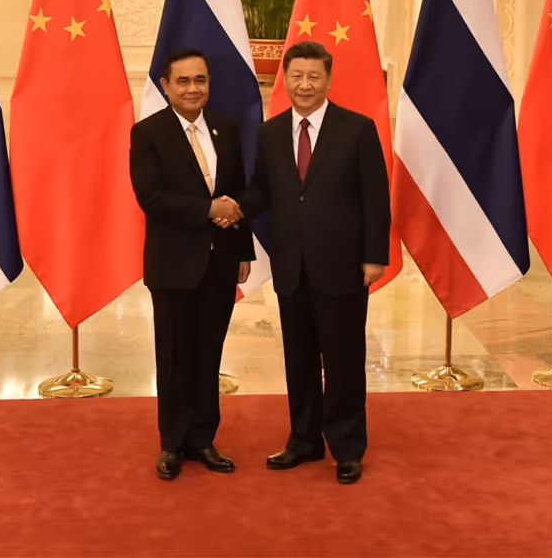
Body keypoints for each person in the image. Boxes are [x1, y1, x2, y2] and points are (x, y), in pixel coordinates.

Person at [231, 40, 390, 485]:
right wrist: (233, 207)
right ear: (285, 78)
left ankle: (347, 446)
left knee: (343, 360)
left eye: (313, 76)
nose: (304, 84)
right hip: (292, 267)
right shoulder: (270, 133)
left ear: (328, 79)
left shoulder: (357, 129)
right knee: (298, 360)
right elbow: (263, 190)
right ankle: (303, 440)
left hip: (343, 266)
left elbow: (375, 197)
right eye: (297, 76)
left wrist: (374, 256)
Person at [129, 48, 253, 481]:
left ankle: (203, 439)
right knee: (174, 357)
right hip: (173, 265)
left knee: (208, 354)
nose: (193, 88)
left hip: (221, 262)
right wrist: (207, 209)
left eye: (200, 80)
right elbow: (151, 197)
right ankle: (172, 444)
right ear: (166, 86)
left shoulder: (226, 128)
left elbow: (237, 190)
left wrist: (243, 250)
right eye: (183, 81)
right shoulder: (148, 133)